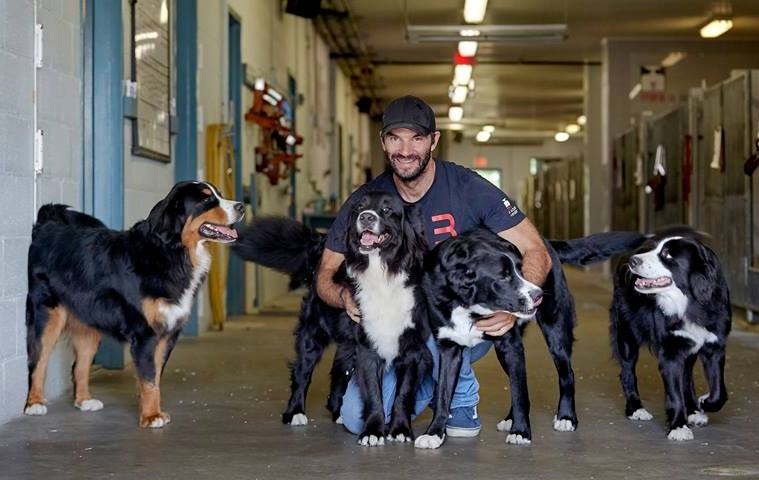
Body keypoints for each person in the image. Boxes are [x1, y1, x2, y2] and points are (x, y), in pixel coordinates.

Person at [316, 95, 552, 438]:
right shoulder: (367, 201)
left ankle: (460, 398)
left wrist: (511, 309)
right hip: (397, 330)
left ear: (434, 141)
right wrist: (344, 297)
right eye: (395, 138)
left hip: (464, 322)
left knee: (427, 305)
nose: (405, 149)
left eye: (417, 138)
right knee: (355, 418)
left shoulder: (468, 188)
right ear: (383, 142)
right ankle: (432, 385)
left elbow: (536, 250)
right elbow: (324, 274)